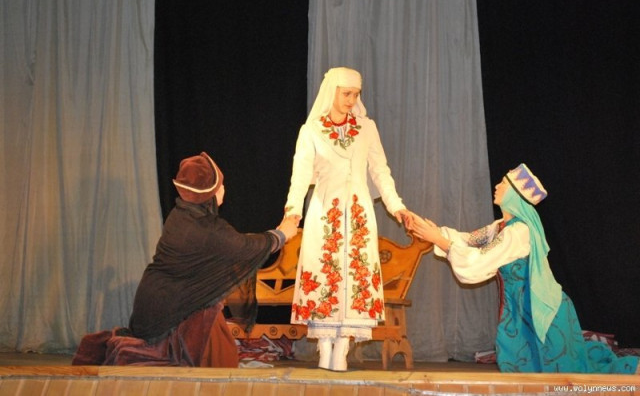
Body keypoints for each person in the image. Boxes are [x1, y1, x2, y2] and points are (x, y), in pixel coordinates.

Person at [408, 163, 639, 374]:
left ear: (514, 194)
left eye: (503, 184)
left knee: (566, 371)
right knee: (537, 370)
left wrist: (439, 240)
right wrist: (435, 232)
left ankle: (632, 369)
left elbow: (480, 260)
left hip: (540, 308)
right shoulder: (500, 227)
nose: (496, 186)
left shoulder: (519, 231)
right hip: (523, 310)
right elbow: (469, 240)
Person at [73, 151, 298, 367]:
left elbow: (230, 243)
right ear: (209, 193)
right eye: (220, 185)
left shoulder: (182, 215)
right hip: (166, 313)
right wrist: (282, 234)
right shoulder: (203, 228)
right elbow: (243, 247)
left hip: (155, 302)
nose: (224, 189)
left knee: (212, 314)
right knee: (219, 351)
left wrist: (276, 235)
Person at [284, 67, 412, 371]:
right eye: (346, 93)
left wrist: (397, 206)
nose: (351, 100)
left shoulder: (366, 128)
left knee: (356, 276)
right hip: (324, 214)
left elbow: (380, 171)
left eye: (356, 94)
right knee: (324, 274)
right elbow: (300, 176)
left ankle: (342, 348)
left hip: (358, 215)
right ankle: (324, 347)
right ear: (332, 91)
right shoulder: (311, 130)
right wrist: (293, 211)